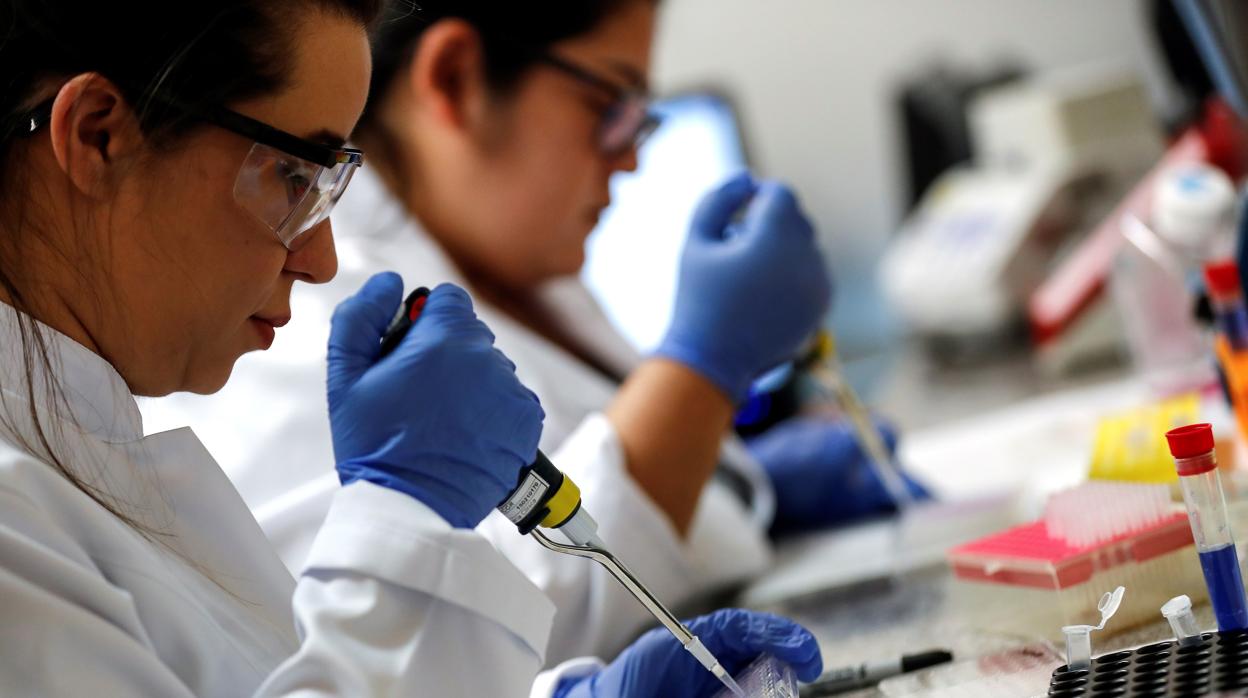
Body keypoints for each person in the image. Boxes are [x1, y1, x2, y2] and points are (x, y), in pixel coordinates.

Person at [0, 1, 824, 695]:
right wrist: (407, 512)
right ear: (100, 135)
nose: (317, 259)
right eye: (295, 176)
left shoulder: (78, 447)